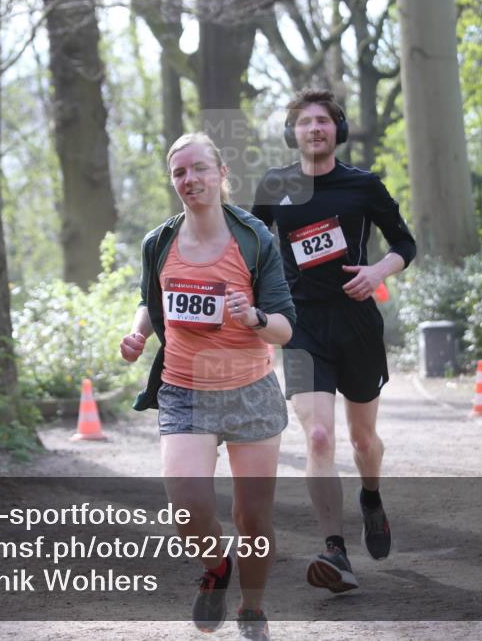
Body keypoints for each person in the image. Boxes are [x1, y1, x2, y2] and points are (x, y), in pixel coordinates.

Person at [120, 132, 296, 640]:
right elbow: (153, 300)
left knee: (253, 516)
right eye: (179, 173)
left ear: (221, 174)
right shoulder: (159, 242)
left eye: (199, 169)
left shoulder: (255, 238)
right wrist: (137, 333)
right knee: (186, 501)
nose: (189, 180)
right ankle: (216, 567)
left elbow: (286, 327)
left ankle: (253, 607)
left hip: (250, 389)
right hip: (184, 388)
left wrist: (256, 317)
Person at [251, 89, 417, 593]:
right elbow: (251, 251)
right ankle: (334, 551)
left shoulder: (363, 185)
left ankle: (371, 496)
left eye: (324, 121)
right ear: (292, 132)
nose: (315, 129)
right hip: (300, 327)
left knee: (364, 440)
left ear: (337, 131)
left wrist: (378, 269)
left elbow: (404, 243)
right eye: (305, 122)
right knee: (319, 437)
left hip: (357, 323)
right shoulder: (275, 185)